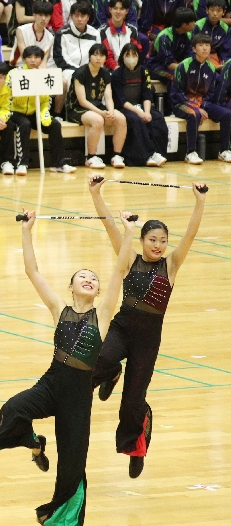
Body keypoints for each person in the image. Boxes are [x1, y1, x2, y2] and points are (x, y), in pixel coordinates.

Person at [0, 211, 129, 526]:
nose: (90, 280)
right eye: (83, 277)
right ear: (71, 286)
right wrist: (27, 230)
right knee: (11, 409)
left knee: (73, 468)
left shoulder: (103, 314)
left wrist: (127, 230)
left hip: (78, 396)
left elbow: (120, 270)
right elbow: (32, 272)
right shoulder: (58, 309)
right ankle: (34, 443)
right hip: (52, 383)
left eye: (93, 277)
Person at [89, 179, 208, 478]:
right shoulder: (129, 258)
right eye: (152, 239)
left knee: (132, 403)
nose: (158, 245)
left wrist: (200, 202)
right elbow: (110, 228)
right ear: (142, 240)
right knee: (99, 360)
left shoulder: (171, 265)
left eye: (163, 240)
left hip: (147, 339)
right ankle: (112, 372)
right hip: (122, 328)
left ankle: (137, 446)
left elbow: (191, 233)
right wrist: (96, 194)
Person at [8, 45, 75, 173]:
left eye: (36, 57)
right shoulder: (14, 74)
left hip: (35, 111)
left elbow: (46, 100)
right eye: (29, 57)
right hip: (15, 111)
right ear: (24, 59)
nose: (33, 60)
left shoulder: (45, 75)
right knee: (24, 124)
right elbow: (6, 96)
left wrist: (44, 113)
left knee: (55, 124)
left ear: (41, 59)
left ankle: (59, 163)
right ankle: (22, 163)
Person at [170, 34, 231, 163]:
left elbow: (211, 93)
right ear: (194, 49)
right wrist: (195, 106)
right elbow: (176, 92)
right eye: (201, 45)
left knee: (226, 114)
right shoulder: (183, 66)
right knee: (194, 114)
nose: (204, 48)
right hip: (181, 103)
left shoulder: (210, 68)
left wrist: (202, 104)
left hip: (202, 103)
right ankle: (190, 152)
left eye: (207, 45)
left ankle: (224, 150)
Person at [66, 42, 128, 168]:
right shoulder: (80, 73)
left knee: (121, 118)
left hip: (97, 107)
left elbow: (108, 97)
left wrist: (110, 111)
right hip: (77, 108)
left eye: (102, 55)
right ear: (90, 56)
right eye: (95, 55)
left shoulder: (105, 74)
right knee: (98, 120)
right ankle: (91, 157)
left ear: (106, 58)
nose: (98, 58)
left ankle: (116, 155)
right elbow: (82, 101)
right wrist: (101, 113)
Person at [112, 43, 169, 165]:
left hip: (142, 106)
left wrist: (147, 112)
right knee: (136, 120)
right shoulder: (117, 74)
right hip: (124, 108)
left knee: (157, 118)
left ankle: (159, 153)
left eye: (134, 54)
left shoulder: (144, 71)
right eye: (128, 55)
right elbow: (121, 100)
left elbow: (147, 93)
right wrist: (139, 112)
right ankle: (148, 155)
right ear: (123, 57)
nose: (131, 57)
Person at [55, 1, 102, 114]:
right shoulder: (62, 33)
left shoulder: (95, 34)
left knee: (107, 77)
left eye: (83, 16)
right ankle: (65, 112)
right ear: (71, 16)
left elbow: (99, 54)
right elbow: (60, 59)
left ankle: (101, 109)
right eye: (76, 16)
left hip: (91, 69)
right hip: (68, 70)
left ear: (88, 17)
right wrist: (81, 71)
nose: (79, 19)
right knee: (70, 78)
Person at [101, 0, 150, 69]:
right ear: (110, 10)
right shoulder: (102, 31)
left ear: (127, 11)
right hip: (109, 71)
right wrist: (116, 68)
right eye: (115, 8)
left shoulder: (132, 30)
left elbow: (136, 52)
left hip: (129, 69)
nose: (118, 12)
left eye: (122, 9)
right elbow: (106, 55)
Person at [149, 7, 196, 84]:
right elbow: (169, 63)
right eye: (193, 21)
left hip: (178, 66)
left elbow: (190, 56)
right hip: (157, 67)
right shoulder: (164, 37)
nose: (195, 23)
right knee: (175, 78)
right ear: (184, 24)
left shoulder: (189, 35)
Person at [12, 0, 55, 66]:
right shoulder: (21, 30)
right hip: (20, 66)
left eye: (46, 16)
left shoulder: (50, 37)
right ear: (34, 15)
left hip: (39, 69)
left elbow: (44, 60)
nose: (43, 19)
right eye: (40, 15)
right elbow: (24, 55)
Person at [195, 0, 230, 65]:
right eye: (212, 10)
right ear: (207, 10)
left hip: (215, 57)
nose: (215, 14)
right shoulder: (198, 26)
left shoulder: (226, 29)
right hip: (199, 56)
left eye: (219, 11)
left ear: (224, 12)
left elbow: (225, 49)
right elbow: (193, 47)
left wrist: (224, 61)